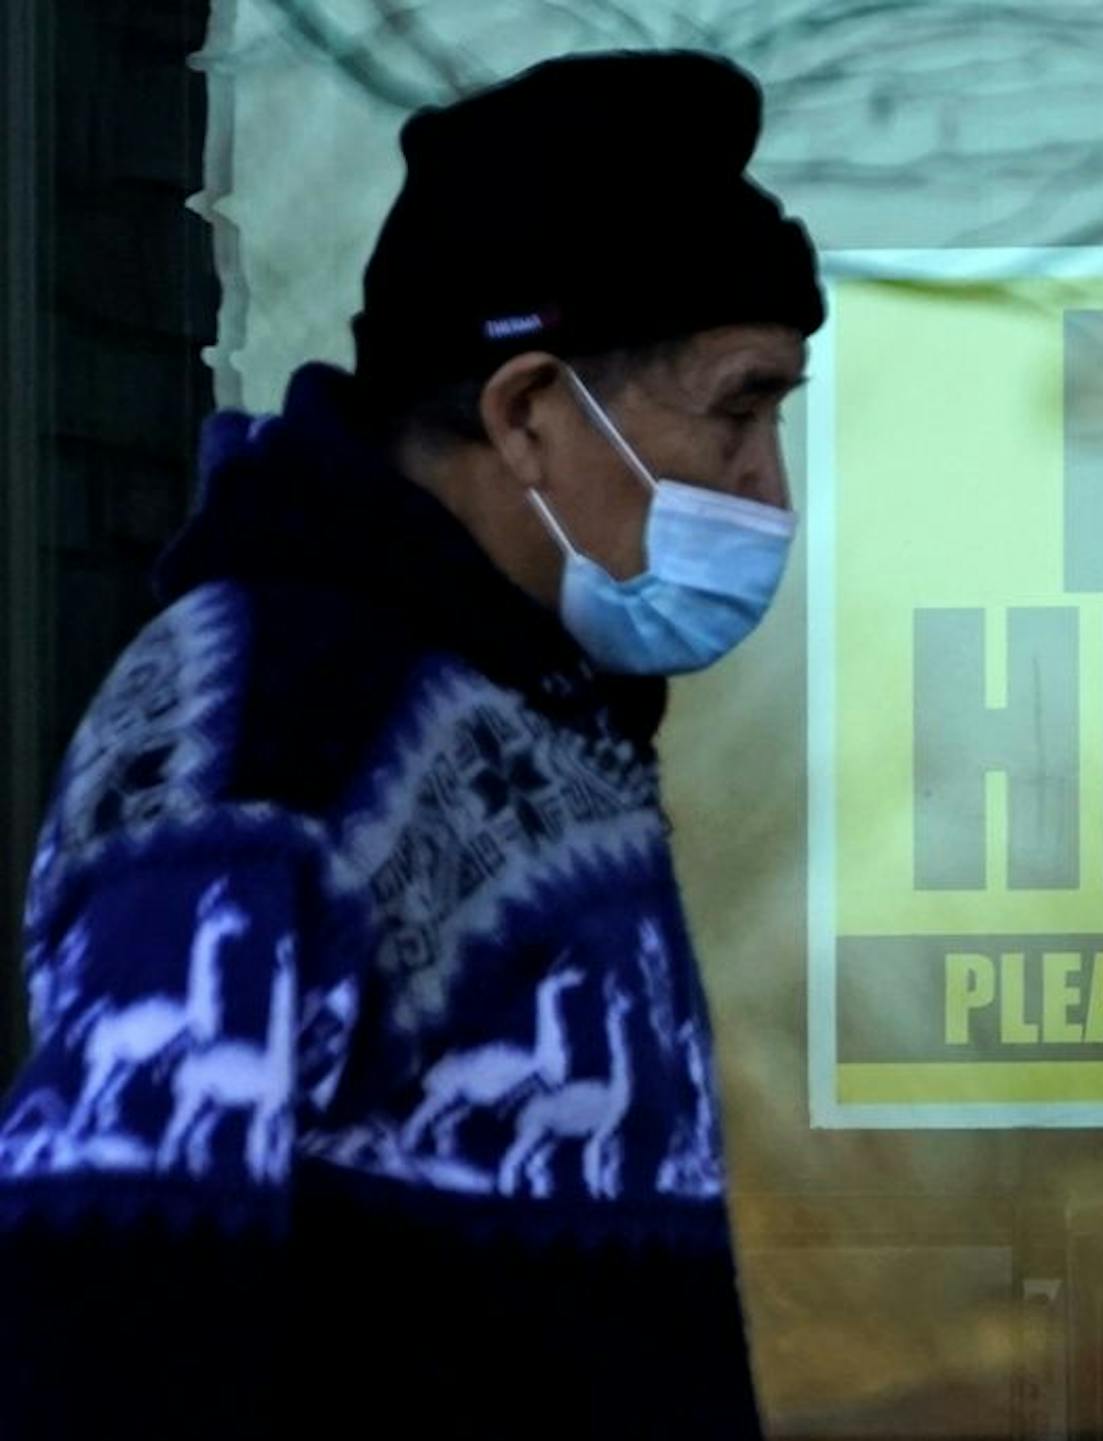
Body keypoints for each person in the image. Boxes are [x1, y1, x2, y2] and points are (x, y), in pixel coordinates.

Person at [0, 49, 819, 1437]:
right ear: (528, 414)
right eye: (738, 408)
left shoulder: (527, 706)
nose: (767, 482)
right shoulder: (269, 743)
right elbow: (108, 1333)